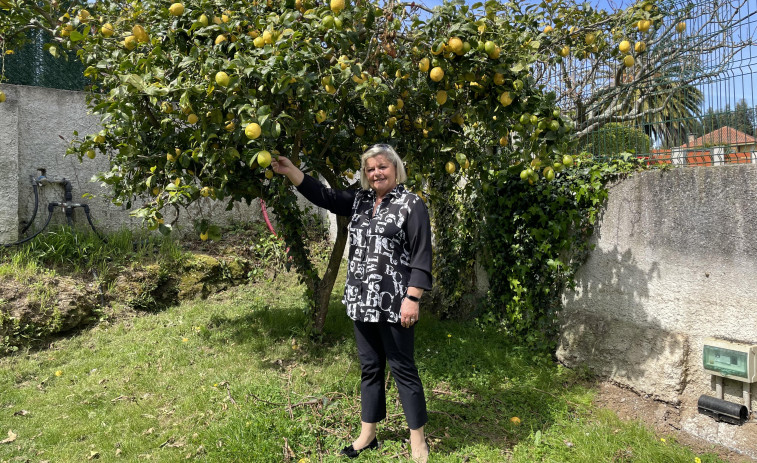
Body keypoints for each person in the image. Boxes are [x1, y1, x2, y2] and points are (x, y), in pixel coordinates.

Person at [271, 144, 432, 462]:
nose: (376, 173)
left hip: (395, 303)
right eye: (370, 169)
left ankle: (418, 441)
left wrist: (412, 299)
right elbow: (325, 197)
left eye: (382, 167)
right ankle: (367, 435)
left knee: (403, 369)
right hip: (361, 300)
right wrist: (291, 171)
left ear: (396, 168)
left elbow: (421, 256)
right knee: (370, 368)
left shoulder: (411, 205)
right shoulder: (359, 200)